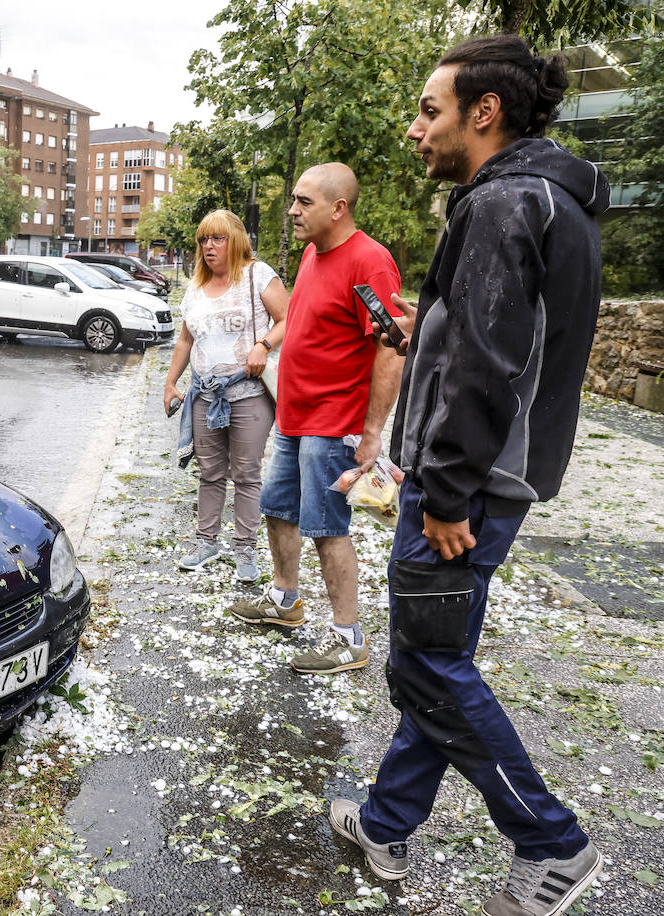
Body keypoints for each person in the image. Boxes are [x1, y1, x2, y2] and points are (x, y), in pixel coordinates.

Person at [327, 36, 610, 916]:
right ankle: (385, 822)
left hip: (467, 491)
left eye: (428, 110)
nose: (415, 129)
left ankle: (553, 845)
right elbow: (500, 345)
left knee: (428, 670)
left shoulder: (502, 203)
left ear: (482, 112)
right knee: (434, 659)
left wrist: (445, 494)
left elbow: (491, 369)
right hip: (492, 479)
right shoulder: (551, 200)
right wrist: (426, 338)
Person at [225, 163, 404, 675]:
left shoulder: (370, 262)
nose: (292, 210)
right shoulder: (311, 252)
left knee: (328, 529)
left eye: (303, 202)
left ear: (338, 208)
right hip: (295, 416)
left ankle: (349, 639)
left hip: (334, 423)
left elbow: (392, 351)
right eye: (294, 200)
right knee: (279, 508)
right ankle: (285, 603)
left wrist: (370, 434)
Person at [164, 210, 288, 583]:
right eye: (203, 240)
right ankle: (207, 542)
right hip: (203, 395)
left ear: (235, 241)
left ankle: (245, 548)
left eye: (217, 238)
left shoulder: (257, 275)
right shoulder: (196, 288)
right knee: (211, 473)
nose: (209, 246)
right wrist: (171, 383)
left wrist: (263, 345)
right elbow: (186, 340)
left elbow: (290, 318)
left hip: (248, 394)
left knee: (247, 473)